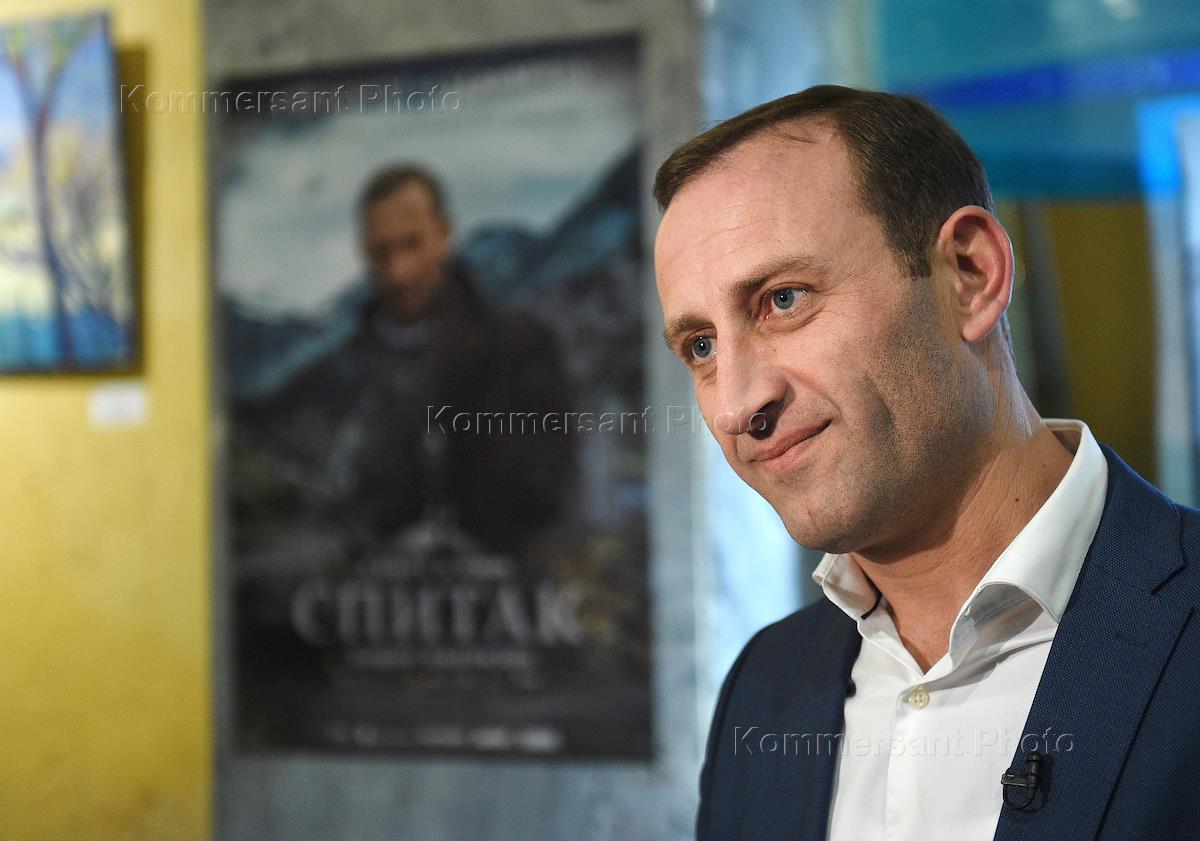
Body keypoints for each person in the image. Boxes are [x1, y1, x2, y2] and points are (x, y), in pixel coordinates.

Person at [653, 85, 1200, 841]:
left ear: (969, 276)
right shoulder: (765, 686)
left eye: (782, 300)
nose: (737, 405)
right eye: (702, 346)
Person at [233, 164, 573, 558]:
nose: (400, 271)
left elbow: (547, 490)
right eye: (383, 252)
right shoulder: (342, 368)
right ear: (364, 250)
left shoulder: (520, 350)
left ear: (444, 234)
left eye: (412, 244)